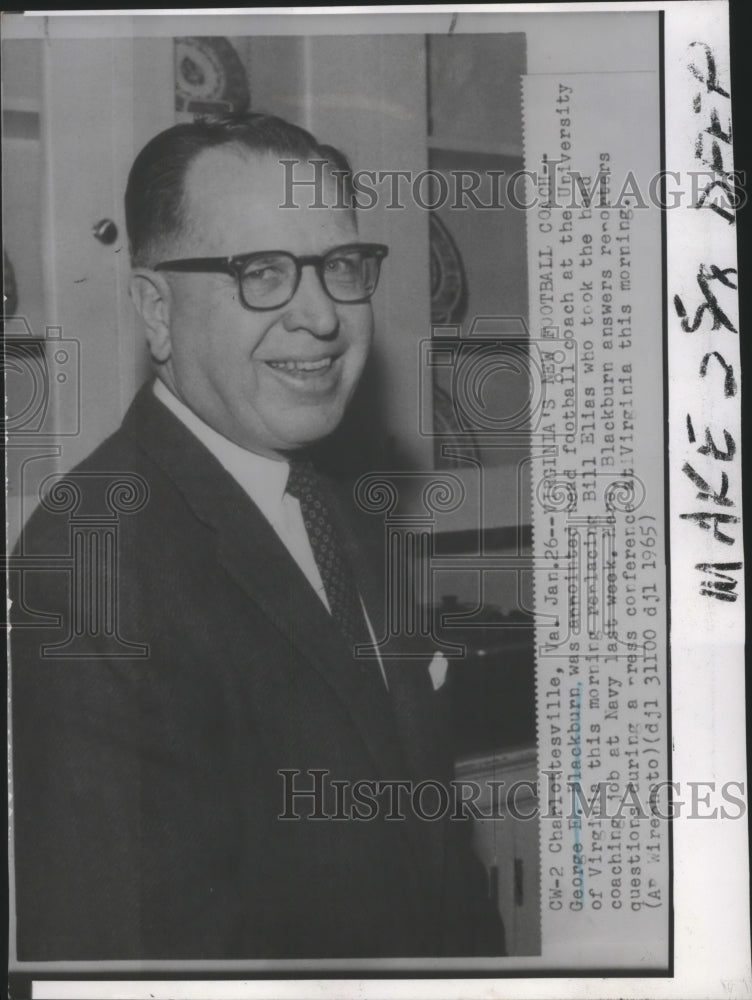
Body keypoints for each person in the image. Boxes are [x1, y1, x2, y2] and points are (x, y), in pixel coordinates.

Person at [10, 113, 504, 961]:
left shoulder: (344, 503)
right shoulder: (91, 561)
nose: (320, 316)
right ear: (155, 310)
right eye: (261, 273)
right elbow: (119, 950)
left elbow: (437, 847)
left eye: (341, 267)